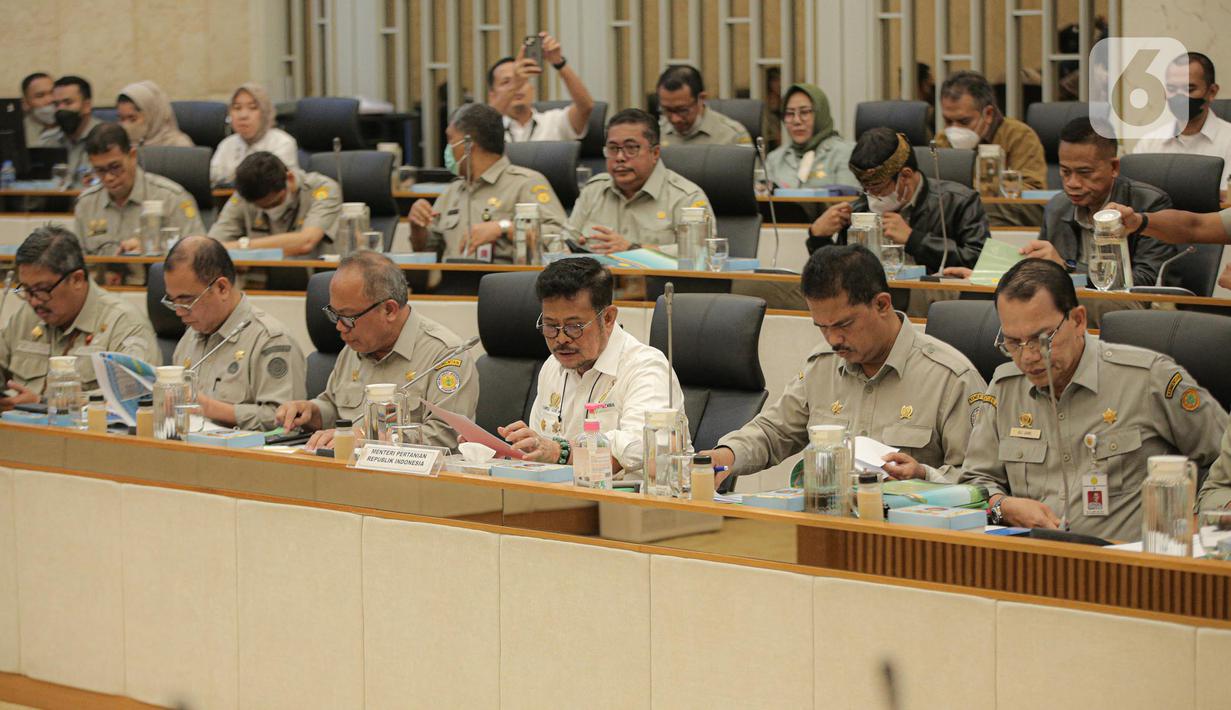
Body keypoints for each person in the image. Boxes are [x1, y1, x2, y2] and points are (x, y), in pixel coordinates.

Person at [959, 259, 1226, 540]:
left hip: (1130, 566)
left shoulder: (1149, 379)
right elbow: (975, 483)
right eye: (1013, 343)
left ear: (1078, 320)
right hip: (1035, 565)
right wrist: (1004, 506)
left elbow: (1222, 463)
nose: (1028, 357)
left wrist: (1193, 527)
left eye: (1042, 339)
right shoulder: (1005, 387)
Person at [705, 244, 985, 490]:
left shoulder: (950, 378)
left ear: (882, 304)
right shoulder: (823, 365)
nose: (833, 340)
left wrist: (924, 475)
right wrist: (723, 457)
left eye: (843, 325)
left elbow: (980, 481)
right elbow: (772, 432)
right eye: (822, 327)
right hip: (827, 526)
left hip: (912, 537)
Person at [498, 258, 684, 478]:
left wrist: (559, 452)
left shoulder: (645, 368)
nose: (561, 339)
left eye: (573, 326)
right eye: (550, 326)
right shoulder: (552, 367)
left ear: (607, 318)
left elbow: (640, 451)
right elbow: (541, 453)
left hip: (637, 504)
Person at [275, 251, 478, 451]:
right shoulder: (356, 345)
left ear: (389, 310)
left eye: (348, 317)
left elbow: (448, 436)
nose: (339, 327)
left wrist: (368, 438)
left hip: (413, 480)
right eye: (334, 314)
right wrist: (312, 411)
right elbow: (335, 407)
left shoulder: (445, 354)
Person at [0, 225, 159, 410]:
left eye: (41, 289)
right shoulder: (27, 316)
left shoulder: (124, 323)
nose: (33, 302)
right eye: (26, 290)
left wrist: (43, 404)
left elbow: (137, 398)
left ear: (76, 279)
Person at [163, 236, 305, 430]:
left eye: (187, 300)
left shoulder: (270, 339)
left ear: (222, 288)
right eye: (172, 301)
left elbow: (286, 420)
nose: (179, 312)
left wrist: (211, 408)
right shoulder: (191, 335)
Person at [806, 127, 988, 273]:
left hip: (936, 302)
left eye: (877, 188)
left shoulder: (959, 201)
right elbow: (841, 277)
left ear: (905, 176)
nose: (870, 196)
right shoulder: (860, 209)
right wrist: (818, 238)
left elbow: (980, 261)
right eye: (865, 188)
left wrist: (914, 240)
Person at [1026, 117, 1175, 290]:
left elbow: (1146, 281)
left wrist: (1068, 268)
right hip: (1068, 301)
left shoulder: (1149, 204)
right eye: (1065, 172)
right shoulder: (1057, 207)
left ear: (1114, 168)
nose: (1072, 183)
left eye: (1084, 173)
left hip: (1129, 306)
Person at [408, 103, 565, 262]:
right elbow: (427, 252)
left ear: (469, 144)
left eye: (450, 139)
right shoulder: (452, 191)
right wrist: (417, 227)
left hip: (502, 283)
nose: (448, 148)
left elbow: (559, 239)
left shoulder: (526, 183)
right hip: (451, 283)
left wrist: (504, 228)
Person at [568, 108, 713, 252]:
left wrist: (633, 249)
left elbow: (702, 252)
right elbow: (565, 241)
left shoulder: (686, 198)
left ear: (655, 153)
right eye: (613, 148)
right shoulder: (593, 190)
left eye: (631, 148)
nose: (620, 157)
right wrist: (573, 247)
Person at [74, 123, 205, 255]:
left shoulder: (172, 198)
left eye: (115, 167)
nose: (108, 177)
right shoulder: (86, 204)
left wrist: (154, 249)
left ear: (132, 156)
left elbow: (199, 255)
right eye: (100, 170)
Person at [936, 70, 1046, 227]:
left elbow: (1032, 193)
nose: (955, 129)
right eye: (948, 121)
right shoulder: (942, 139)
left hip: (1006, 219)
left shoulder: (1019, 136)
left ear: (987, 114)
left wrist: (984, 187)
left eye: (964, 121)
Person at [208, 152, 341, 258]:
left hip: (314, 278)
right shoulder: (245, 194)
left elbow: (306, 242)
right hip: (258, 283)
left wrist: (243, 247)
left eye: (274, 203)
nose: (270, 210)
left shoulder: (323, 189)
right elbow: (210, 247)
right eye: (260, 207)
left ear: (289, 178)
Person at [1131, 53, 1231, 192]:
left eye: (1189, 89)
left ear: (1212, 92)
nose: (1180, 96)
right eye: (1172, 89)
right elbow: (1136, 195)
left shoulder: (1228, 140)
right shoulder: (1149, 143)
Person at [487, 32, 595, 142]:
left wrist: (559, 63)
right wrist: (515, 84)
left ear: (532, 89)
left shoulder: (553, 121)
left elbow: (586, 106)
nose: (518, 87)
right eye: (506, 82)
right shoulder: (488, 128)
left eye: (523, 81)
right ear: (492, 96)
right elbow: (477, 129)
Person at [764, 83, 857, 189]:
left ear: (821, 114)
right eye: (789, 114)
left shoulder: (846, 153)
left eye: (804, 112)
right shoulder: (775, 159)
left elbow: (848, 202)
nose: (797, 121)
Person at [209, 82, 300, 186]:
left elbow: (275, 182)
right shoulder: (227, 144)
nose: (243, 116)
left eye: (252, 108)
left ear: (265, 113)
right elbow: (212, 177)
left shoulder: (283, 142)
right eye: (237, 108)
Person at [656, 65, 752, 147]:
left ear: (701, 98)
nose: (675, 119)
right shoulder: (654, 134)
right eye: (667, 110)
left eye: (682, 110)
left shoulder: (732, 135)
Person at [40, 75, 100, 186]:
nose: (61, 109)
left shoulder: (106, 138)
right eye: (56, 104)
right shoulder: (48, 141)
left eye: (68, 103)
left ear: (87, 106)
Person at [115, 80, 193, 148]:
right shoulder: (119, 146)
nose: (124, 126)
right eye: (121, 119)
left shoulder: (180, 146)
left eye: (132, 119)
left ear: (151, 116)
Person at [20, 72, 56, 147]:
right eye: (40, 95)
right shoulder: (19, 133)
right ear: (25, 103)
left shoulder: (72, 125)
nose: (50, 100)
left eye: (53, 92)